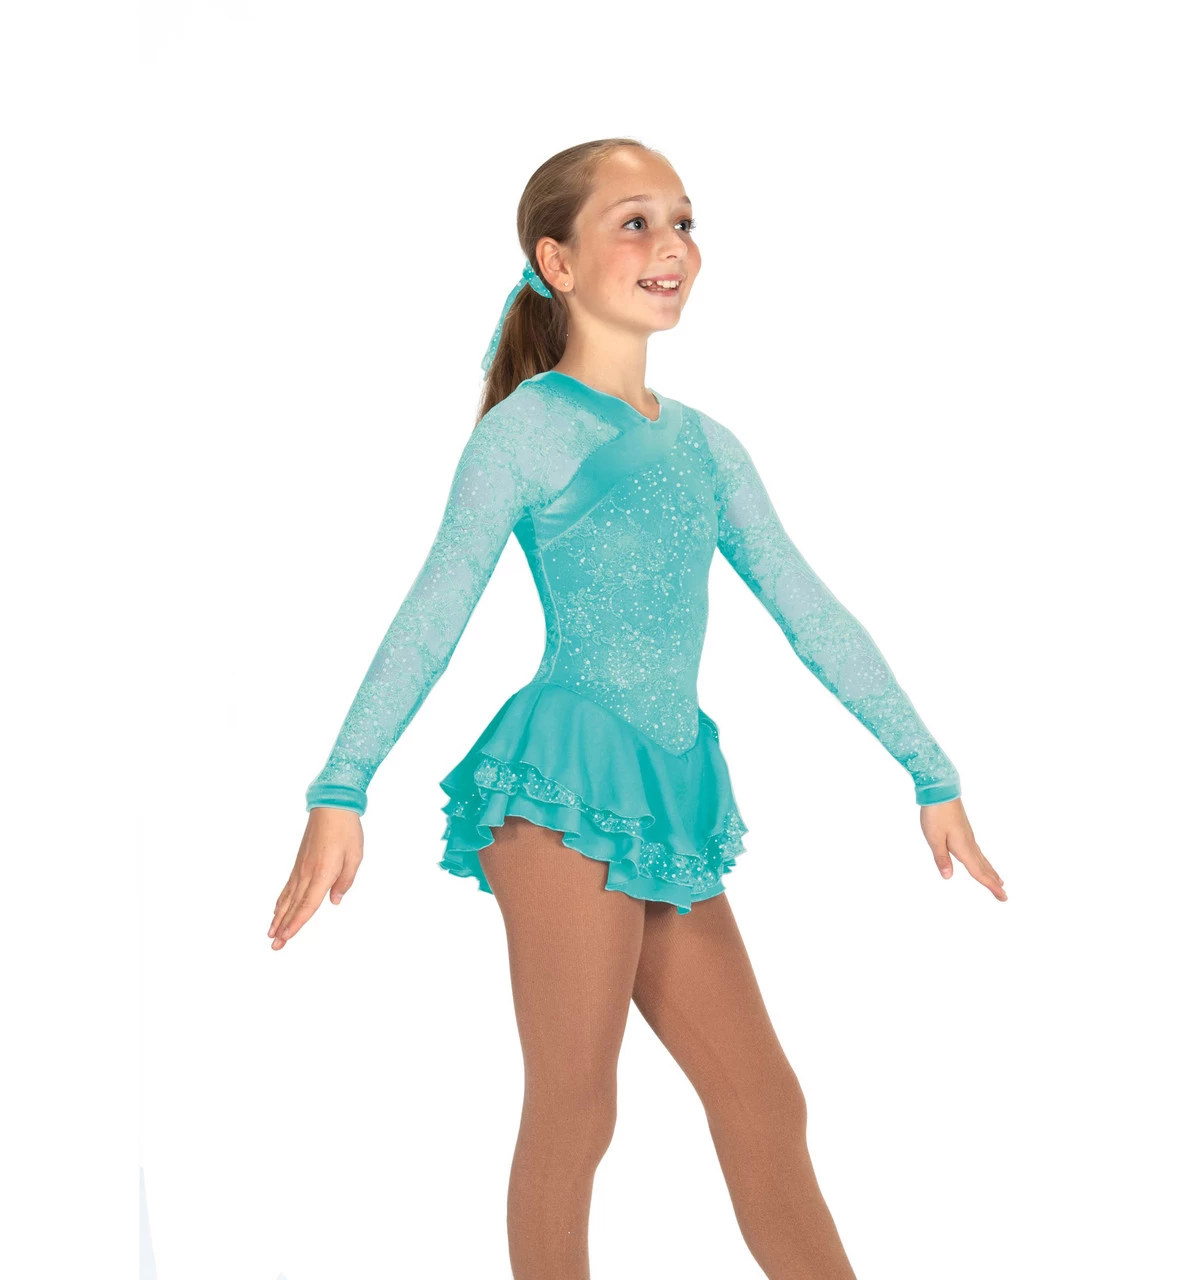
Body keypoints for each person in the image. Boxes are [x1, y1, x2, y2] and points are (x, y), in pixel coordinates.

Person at [270, 137, 1005, 1279]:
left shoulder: (708, 445)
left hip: (667, 787)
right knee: (576, 1105)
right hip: (562, 785)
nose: (671, 245)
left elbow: (809, 608)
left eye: (683, 221)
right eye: (635, 221)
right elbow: (433, 611)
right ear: (555, 262)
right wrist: (340, 787)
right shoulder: (525, 432)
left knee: (764, 1098)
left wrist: (930, 770)